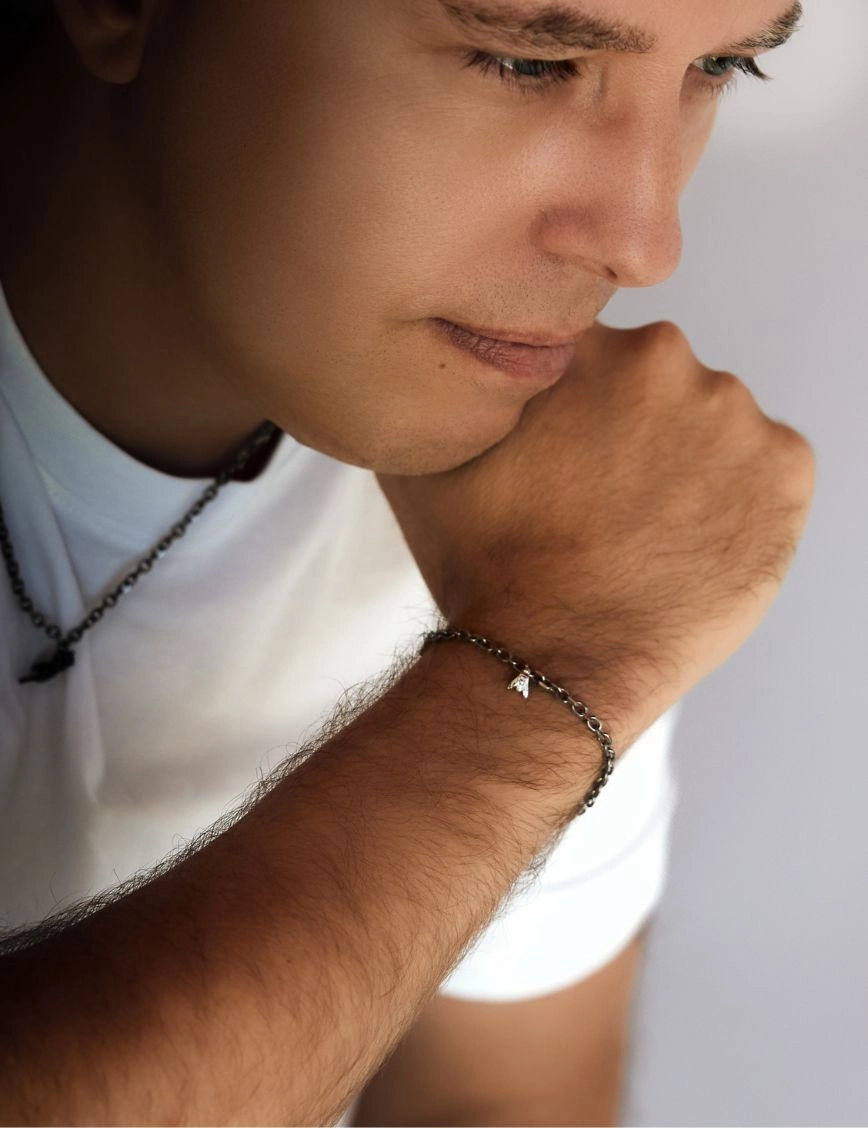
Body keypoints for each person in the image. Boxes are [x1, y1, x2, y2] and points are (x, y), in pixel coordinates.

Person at [0, 1, 813, 1125]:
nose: (644, 242)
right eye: (525, 60)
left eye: (719, 65)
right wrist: (542, 679)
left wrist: (553, 646)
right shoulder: (553, 611)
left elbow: (492, 1102)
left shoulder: (555, 498)